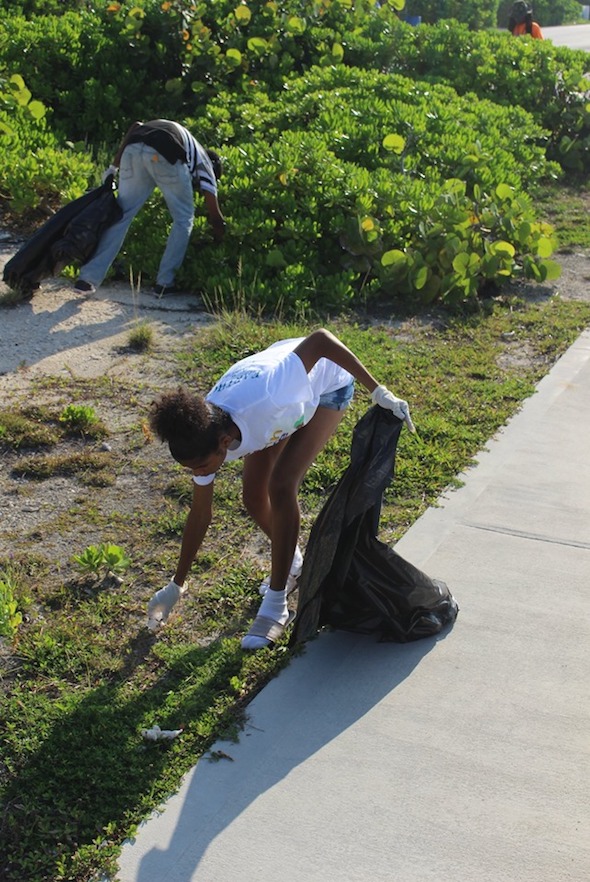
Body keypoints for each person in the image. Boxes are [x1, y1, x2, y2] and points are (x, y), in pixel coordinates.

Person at [147, 328, 415, 650]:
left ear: (224, 444)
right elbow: (200, 513)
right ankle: (293, 564)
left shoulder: (268, 398)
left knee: (281, 484)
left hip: (327, 383)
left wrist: (378, 390)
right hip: (282, 402)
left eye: (201, 468)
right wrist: (177, 584)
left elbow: (320, 340)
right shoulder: (204, 431)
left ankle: (276, 606)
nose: (198, 474)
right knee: (253, 496)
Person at [75, 119, 225, 297]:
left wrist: (113, 168)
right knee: (184, 219)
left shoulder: (186, 141)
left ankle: (87, 279)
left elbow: (136, 126)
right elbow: (215, 217)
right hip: (166, 152)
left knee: (122, 214)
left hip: (134, 148)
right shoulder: (206, 166)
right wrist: (220, 240)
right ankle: (165, 283)